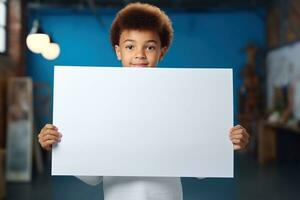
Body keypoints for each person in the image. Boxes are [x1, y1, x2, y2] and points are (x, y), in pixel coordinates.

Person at [38, 2, 250, 200]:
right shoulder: (101, 102)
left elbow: (197, 167)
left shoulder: (180, 100)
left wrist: (225, 144)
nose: (139, 55)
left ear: (162, 52)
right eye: (130, 47)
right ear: (118, 51)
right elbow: (93, 177)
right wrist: (59, 145)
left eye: (149, 47)